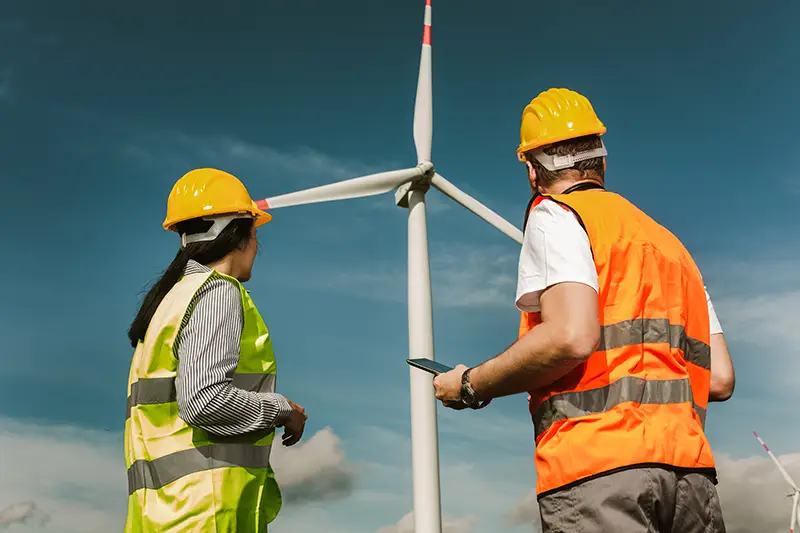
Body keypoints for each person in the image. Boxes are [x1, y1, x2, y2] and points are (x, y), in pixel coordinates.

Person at [433, 88, 735, 532]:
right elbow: (721, 377)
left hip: (598, 468)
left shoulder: (556, 213)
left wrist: (470, 384)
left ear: (533, 172)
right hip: (691, 476)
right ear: (603, 162)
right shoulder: (673, 248)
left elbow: (571, 336)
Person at [123, 168, 307, 533]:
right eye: (255, 234)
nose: (256, 247)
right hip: (205, 514)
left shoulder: (167, 305)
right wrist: (282, 409)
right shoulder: (217, 293)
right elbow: (203, 401)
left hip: (162, 517)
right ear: (239, 235)